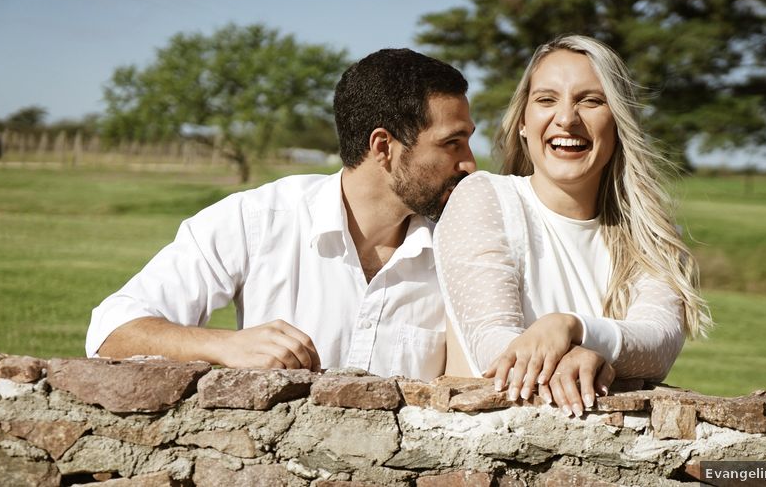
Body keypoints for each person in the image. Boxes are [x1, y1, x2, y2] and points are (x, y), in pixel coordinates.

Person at [86, 48, 476, 381]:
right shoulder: (257, 220)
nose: (469, 164)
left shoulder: (466, 249)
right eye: (452, 144)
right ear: (382, 146)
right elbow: (111, 331)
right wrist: (225, 345)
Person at [434, 35, 711, 416]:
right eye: (547, 100)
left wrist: (574, 329)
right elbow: (493, 347)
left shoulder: (653, 235)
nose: (566, 118)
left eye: (591, 100)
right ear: (524, 124)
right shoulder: (485, 197)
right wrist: (587, 357)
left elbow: (659, 343)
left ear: (618, 122)